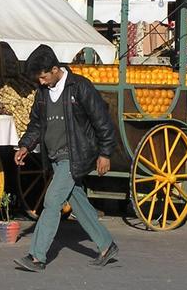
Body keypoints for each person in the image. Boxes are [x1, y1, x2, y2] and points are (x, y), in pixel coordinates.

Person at [12, 46, 118, 272]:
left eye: (43, 76)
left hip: (75, 155)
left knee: (51, 201)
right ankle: (106, 245)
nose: (40, 82)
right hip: (54, 158)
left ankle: (36, 257)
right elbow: (36, 124)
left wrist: (105, 153)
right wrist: (25, 145)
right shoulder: (42, 93)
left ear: (54, 69)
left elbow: (103, 122)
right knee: (77, 200)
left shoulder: (80, 87)